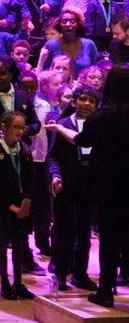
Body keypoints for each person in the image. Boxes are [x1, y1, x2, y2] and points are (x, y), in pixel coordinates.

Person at [46, 85, 98, 292]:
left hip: (89, 185)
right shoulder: (63, 124)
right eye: (83, 99)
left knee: (84, 231)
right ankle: (60, 272)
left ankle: (80, 273)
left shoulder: (98, 126)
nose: (86, 104)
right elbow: (52, 156)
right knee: (63, 229)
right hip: (66, 184)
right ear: (74, 102)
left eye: (91, 101)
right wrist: (55, 175)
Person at [0, 111, 35, 301]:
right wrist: (11, 206)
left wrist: (27, 200)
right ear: (4, 128)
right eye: (16, 127)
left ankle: (18, 282)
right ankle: (5, 282)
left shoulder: (23, 150)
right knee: (3, 243)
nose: (20, 131)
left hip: (22, 207)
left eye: (22, 127)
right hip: (3, 208)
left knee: (19, 244)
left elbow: (30, 178)